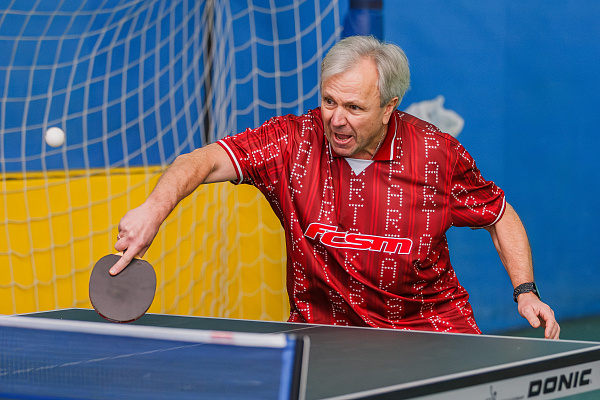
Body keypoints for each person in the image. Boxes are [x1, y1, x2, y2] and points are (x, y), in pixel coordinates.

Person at [111, 35, 560, 339]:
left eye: (354, 107)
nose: (337, 119)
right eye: (329, 101)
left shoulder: (436, 153)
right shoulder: (291, 142)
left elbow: (499, 215)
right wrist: (153, 210)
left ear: (389, 107)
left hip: (430, 330)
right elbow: (203, 160)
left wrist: (525, 291)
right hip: (326, 336)